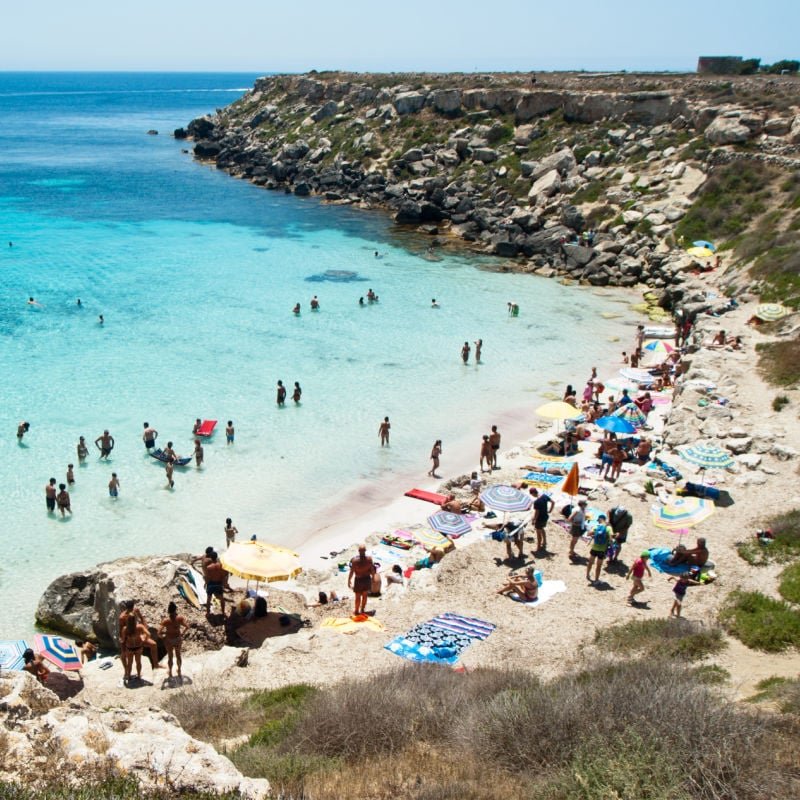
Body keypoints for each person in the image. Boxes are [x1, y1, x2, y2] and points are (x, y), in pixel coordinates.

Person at [158, 601, 190, 679]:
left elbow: (159, 632)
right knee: (178, 655)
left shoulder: (166, 621)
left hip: (169, 640)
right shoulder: (180, 618)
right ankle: (179, 671)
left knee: (170, 656)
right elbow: (187, 627)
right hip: (177, 639)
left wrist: (163, 636)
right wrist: (182, 633)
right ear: (175, 609)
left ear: (168, 611)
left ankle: (170, 673)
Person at [348, 545, 375, 616]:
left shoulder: (355, 561)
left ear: (359, 551)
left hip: (359, 580)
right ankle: (362, 609)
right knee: (365, 596)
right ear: (365, 551)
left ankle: (357, 611)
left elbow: (352, 572)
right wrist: (373, 578)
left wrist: (349, 580)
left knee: (357, 596)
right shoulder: (369, 559)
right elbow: (372, 570)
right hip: (367, 579)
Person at [586, 514, 611, 583]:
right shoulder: (608, 528)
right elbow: (611, 538)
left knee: (590, 562)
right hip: (602, 550)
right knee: (599, 566)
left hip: (594, 548)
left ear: (599, 520)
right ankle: (596, 580)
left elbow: (588, 534)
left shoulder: (596, 526)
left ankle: (587, 575)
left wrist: (595, 534)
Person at [205, 551, 228, 616]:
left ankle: (208, 613)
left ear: (211, 558)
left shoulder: (208, 567)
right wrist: (224, 582)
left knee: (209, 598)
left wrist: (206, 583)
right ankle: (223, 612)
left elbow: (208, 578)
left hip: (211, 584)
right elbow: (224, 574)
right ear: (216, 557)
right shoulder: (221, 565)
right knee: (221, 598)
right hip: (219, 583)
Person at [531, 487, 554, 552]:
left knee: (538, 533)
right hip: (545, 516)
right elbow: (553, 502)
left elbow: (537, 513)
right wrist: (550, 510)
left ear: (532, 493)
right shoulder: (544, 496)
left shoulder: (536, 501)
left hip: (540, 518)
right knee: (542, 528)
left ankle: (538, 547)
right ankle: (544, 542)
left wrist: (533, 520)